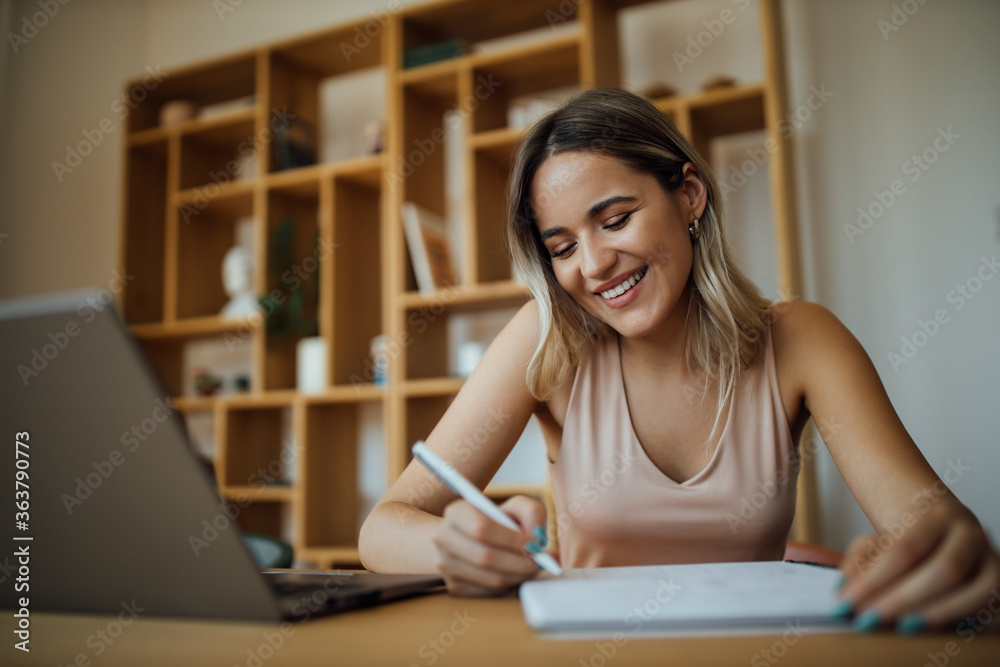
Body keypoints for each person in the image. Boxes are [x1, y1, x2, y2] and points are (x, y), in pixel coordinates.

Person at [358, 88, 999, 633]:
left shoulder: (801, 340)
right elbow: (381, 530)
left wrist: (941, 551)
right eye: (561, 248)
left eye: (615, 219)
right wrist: (455, 545)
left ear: (689, 194)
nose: (592, 266)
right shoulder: (549, 340)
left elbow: (934, 526)